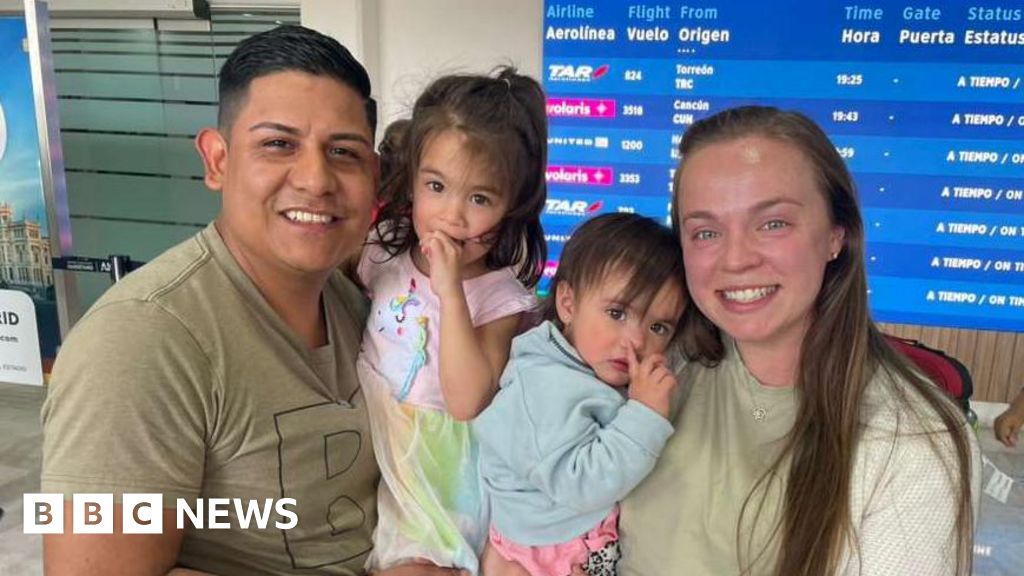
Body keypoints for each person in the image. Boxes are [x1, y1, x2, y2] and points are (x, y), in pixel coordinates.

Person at [41, 25, 463, 576]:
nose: (316, 179)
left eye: (343, 152)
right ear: (216, 160)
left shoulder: (362, 306)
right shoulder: (138, 340)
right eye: (278, 144)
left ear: (374, 178)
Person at [618, 106, 981, 576]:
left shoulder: (913, 440)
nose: (735, 259)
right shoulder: (652, 367)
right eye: (706, 232)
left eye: (772, 224)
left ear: (836, 235)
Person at [356, 68, 547, 574]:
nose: (452, 216)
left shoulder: (500, 297)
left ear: (513, 206)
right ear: (412, 181)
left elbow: (466, 402)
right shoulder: (381, 250)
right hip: (374, 442)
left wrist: (449, 291)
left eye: (480, 198)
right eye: (437, 186)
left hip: (439, 471)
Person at [473, 213, 686, 576]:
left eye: (658, 326)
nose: (636, 340)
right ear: (567, 304)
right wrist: (645, 414)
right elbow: (583, 484)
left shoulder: (584, 367)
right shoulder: (545, 384)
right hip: (545, 553)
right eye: (617, 312)